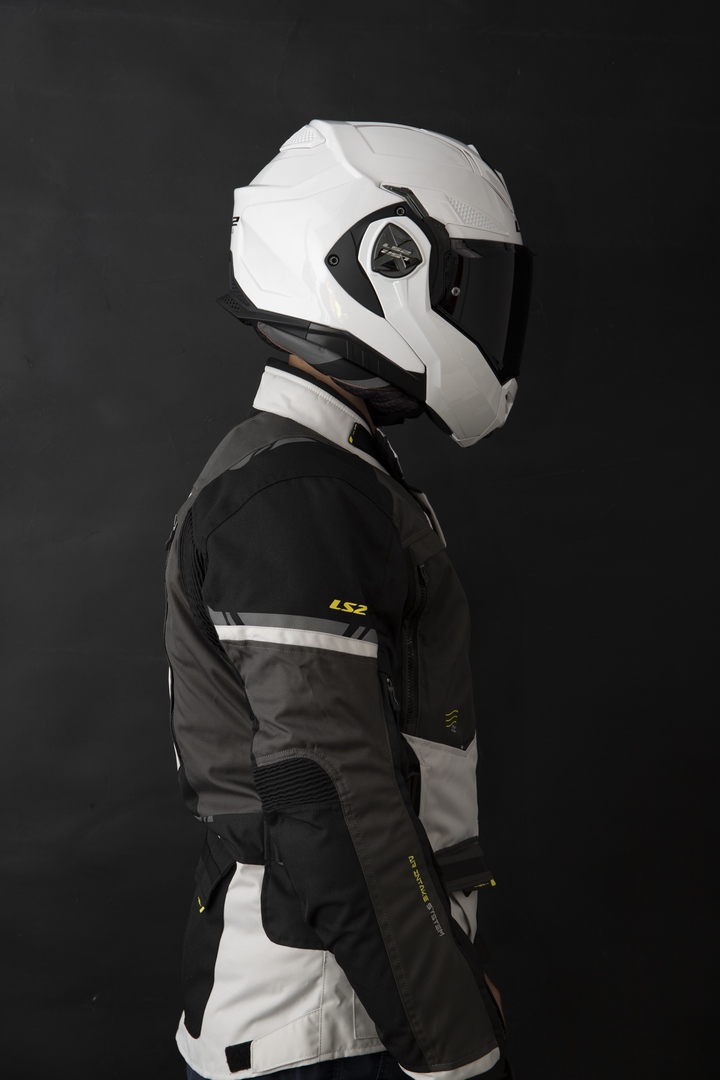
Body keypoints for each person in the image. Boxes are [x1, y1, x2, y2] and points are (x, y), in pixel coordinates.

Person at [164, 120, 532, 1080]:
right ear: (382, 263)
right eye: (463, 284)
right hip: (324, 1018)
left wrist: (446, 974)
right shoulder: (298, 492)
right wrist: (451, 1038)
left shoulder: (318, 470)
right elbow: (327, 789)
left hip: (351, 993)